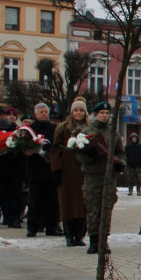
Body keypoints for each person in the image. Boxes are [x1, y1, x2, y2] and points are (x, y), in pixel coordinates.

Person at [76, 102, 125, 255]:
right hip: (93, 177)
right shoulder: (87, 132)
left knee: (106, 209)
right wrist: (88, 156)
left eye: (107, 113)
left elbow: (120, 153)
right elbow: (78, 155)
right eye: (102, 113)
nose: (105, 115)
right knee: (93, 210)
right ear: (95, 114)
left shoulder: (113, 133)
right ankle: (93, 240)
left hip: (108, 178)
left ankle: (103, 240)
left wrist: (120, 164)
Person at [51, 100, 89, 247]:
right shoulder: (62, 128)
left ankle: (79, 235)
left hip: (84, 172)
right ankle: (69, 234)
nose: (78, 113)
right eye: (76, 110)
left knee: (82, 204)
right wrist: (56, 169)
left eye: (81, 110)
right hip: (67, 172)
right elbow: (55, 150)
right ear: (71, 112)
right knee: (67, 203)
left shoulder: (89, 128)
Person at [24, 103, 61, 237]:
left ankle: (52, 226)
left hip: (50, 170)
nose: (44, 114)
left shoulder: (54, 129)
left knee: (52, 201)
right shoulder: (30, 129)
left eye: (46, 112)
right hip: (35, 170)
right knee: (35, 201)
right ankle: (32, 227)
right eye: (41, 112)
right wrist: (26, 151)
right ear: (36, 114)